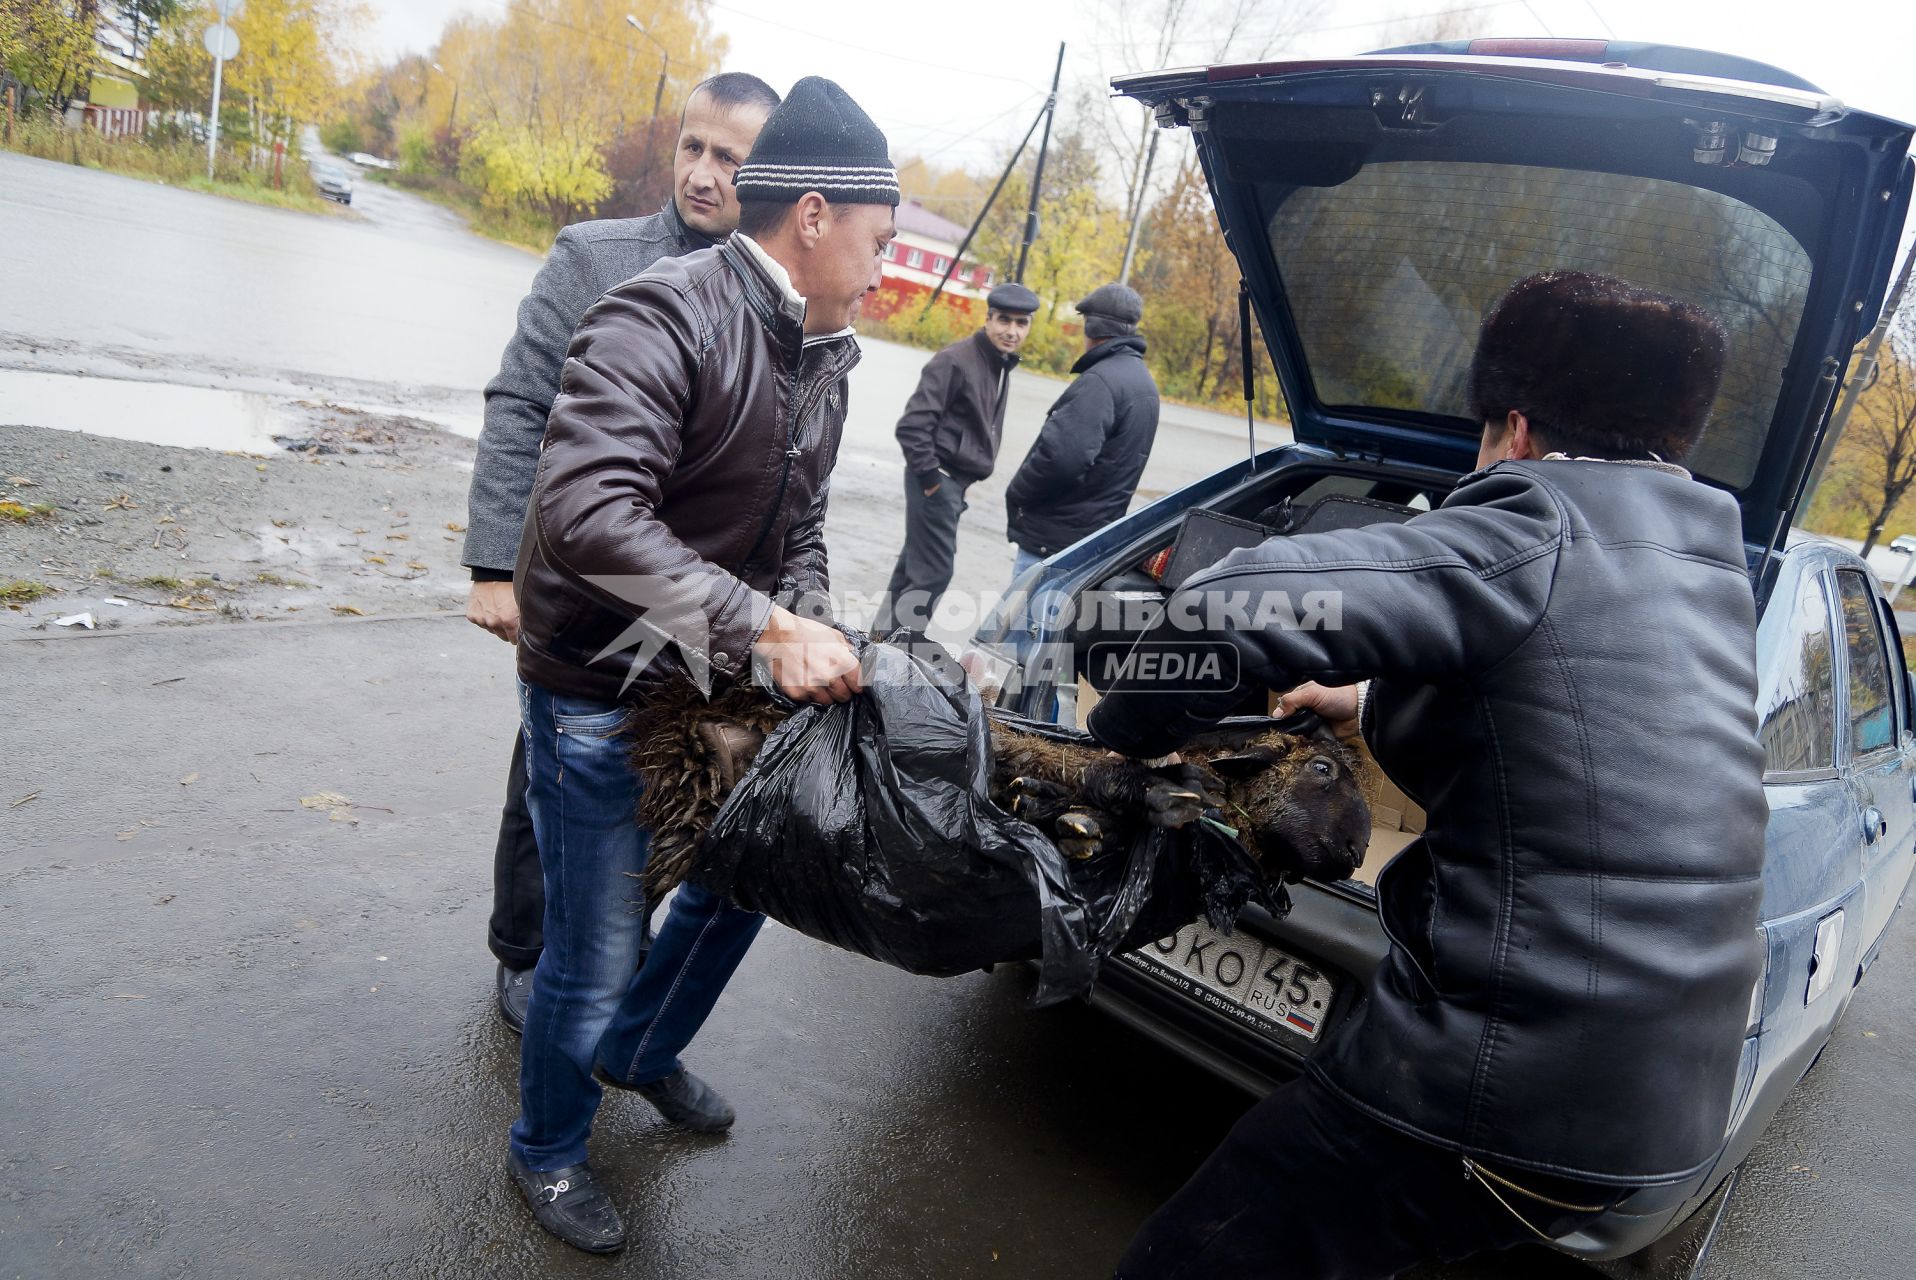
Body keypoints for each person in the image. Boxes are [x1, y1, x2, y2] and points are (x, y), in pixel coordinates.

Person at [1086, 272, 1767, 1279]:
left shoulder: (1532, 521)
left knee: (1198, 1256)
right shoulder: (1702, 567)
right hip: (1662, 1107)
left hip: (1500, 1077)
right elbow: (1571, 706)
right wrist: (1360, 702)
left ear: (1516, 427)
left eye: (1480, 433)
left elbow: (1225, 606)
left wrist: (1122, 728)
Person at [505, 76, 898, 1254]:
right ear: (815, 217)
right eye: (882, 238)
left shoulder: (824, 349)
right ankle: (548, 1146)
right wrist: (768, 629)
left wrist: (812, 623)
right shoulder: (662, 312)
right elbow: (583, 511)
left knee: (745, 886)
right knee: (598, 944)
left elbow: (803, 525)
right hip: (599, 686)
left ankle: (640, 1050)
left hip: (721, 669)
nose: (888, 267)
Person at [459, 72, 780, 1034]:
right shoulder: (596, 257)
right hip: (580, 585)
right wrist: (489, 566)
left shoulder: (772, 295)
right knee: (550, 772)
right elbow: (521, 404)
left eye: (731, 158)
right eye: (693, 147)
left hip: (694, 598)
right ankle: (526, 952)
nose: (704, 173)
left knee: (666, 773)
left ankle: (611, 957)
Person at [874, 281, 1040, 633]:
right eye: (1004, 321)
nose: (1012, 331)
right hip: (938, 479)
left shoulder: (999, 363)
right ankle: (894, 656)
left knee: (913, 569)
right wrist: (932, 482)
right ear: (988, 319)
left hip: (953, 483)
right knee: (933, 574)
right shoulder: (956, 360)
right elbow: (912, 426)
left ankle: (876, 645)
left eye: (1021, 323)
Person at [1003, 282, 1159, 581]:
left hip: (1053, 544)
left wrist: (1018, 493)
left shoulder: (1099, 382)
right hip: (1092, 542)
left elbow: (1061, 461)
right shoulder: (1144, 384)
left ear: (1091, 327)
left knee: (1023, 625)